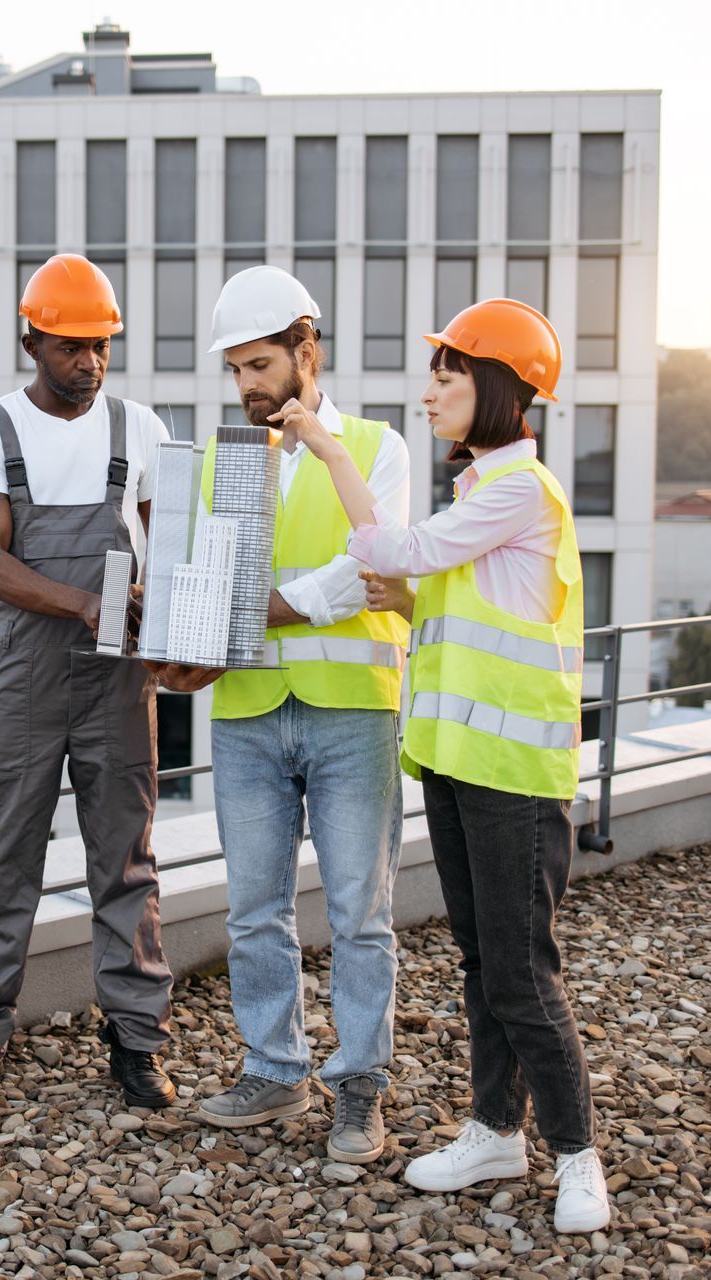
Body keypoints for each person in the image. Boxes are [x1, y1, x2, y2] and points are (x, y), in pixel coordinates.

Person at [294, 297, 611, 1233]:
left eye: (450, 373)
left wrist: (335, 453)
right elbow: (452, 615)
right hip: (461, 766)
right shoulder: (482, 496)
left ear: (503, 390)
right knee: (483, 961)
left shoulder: (522, 490)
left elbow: (395, 545)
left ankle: (579, 1156)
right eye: (435, 372)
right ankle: (493, 1131)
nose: (431, 389)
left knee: (523, 973)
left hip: (514, 776)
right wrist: (410, 602)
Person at [151, 266, 412, 1163]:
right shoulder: (233, 461)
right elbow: (207, 581)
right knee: (253, 911)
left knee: (359, 914)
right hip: (249, 709)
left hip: (352, 712)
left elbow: (367, 572)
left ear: (309, 353)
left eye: (260, 364)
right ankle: (275, 1068)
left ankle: (359, 1088)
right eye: (235, 371)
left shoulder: (379, 449)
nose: (247, 385)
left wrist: (266, 608)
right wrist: (187, 650)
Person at [0, 254, 178, 1111]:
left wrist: (165, 614)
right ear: (33, 342)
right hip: (21, 672)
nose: (89, 362)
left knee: (126, 862)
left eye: (100, 345)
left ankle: (138, 1043)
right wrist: (86, 602)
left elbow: (158, 539)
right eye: (70, 346)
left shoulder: (140, 428)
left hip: (117, 679)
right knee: (2, 862)